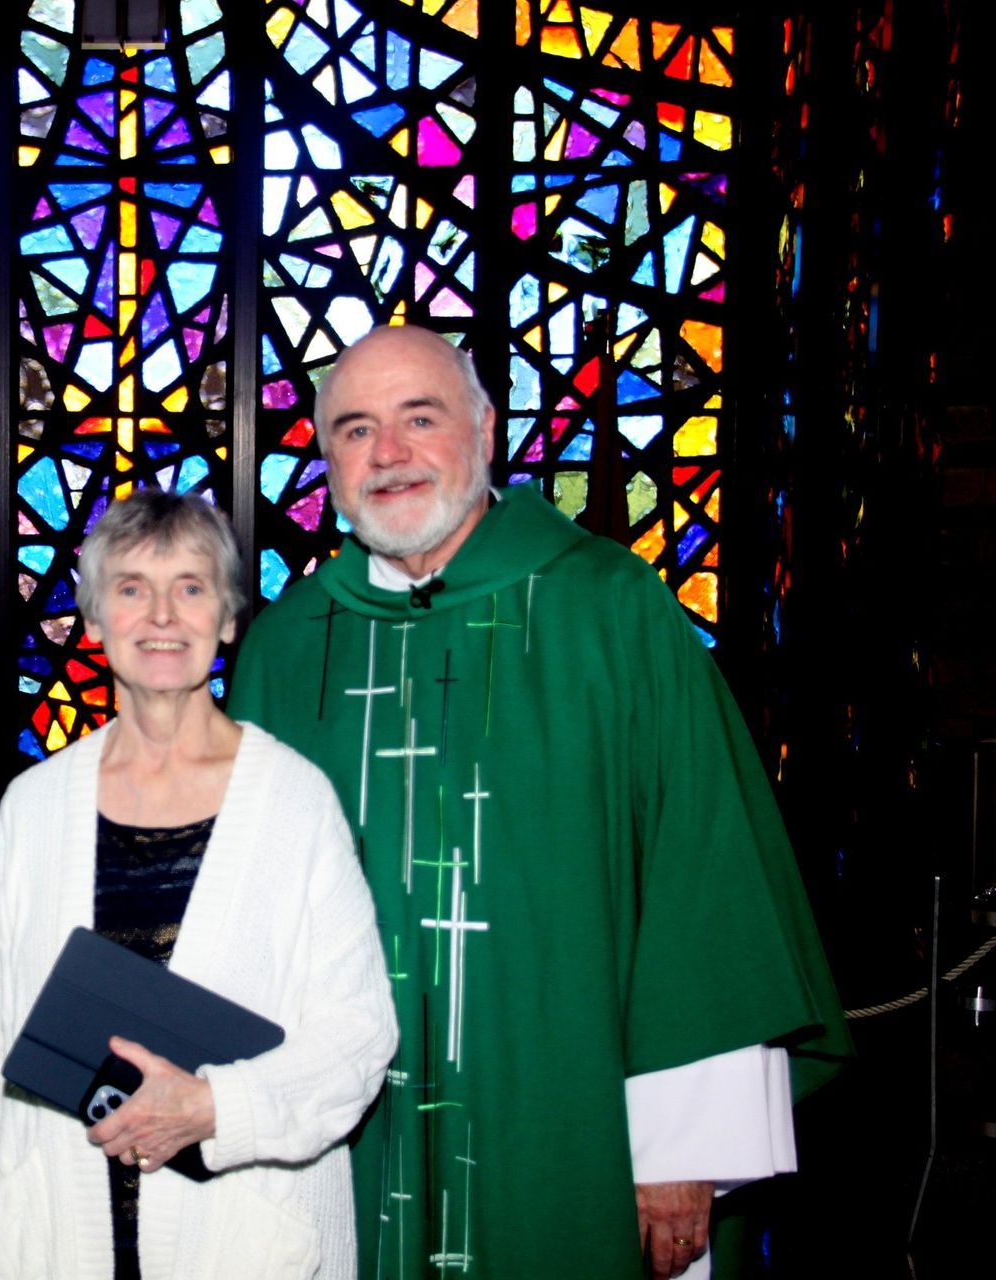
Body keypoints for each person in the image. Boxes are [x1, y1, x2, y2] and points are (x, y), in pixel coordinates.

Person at [227, 325, 852, 1280]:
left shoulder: (608, 609)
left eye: (418, 419)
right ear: (326, 459)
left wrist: (683, 1146)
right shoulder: (286, 647)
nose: (387, 454)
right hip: (338, 1138)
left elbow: (702, 874)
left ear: (485, 430)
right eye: (355, 430)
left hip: (573, 1123)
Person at [0, 489, 398, 1279]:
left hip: (244, 1231)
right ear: (94, 620)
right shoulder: (34, 805)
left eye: (190, 587)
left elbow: (358, 1036)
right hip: (56, 1226)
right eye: (132, 589)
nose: (162, 615)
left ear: (228, 618)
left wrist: (214, 1109)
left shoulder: (294, 800)